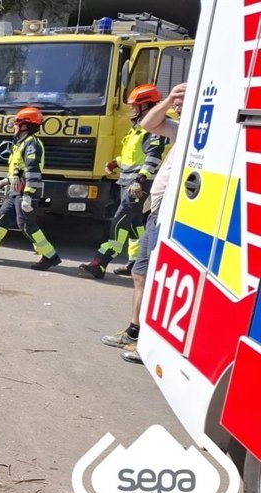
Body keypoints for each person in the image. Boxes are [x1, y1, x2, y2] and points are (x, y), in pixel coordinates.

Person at [103, 83, 185, 364]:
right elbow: (150, 126)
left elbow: (149, 158)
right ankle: (135, 331)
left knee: (153, 275)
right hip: (154, 208)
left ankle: (147, 340)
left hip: (164, 211)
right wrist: (172, 98)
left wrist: (139, 180)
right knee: (140, 274)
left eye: (183, 104)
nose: (177, 108)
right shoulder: (175, 129)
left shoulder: (194, 135)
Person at [79, 84, 169, 279]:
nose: (132, 109)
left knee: (120, 221)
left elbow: (153, 156)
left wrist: (140, 179)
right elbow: (132, 155)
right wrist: (115, 163)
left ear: (146, 105)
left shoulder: (156, 126)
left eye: (136, 105)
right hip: (127, 182)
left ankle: (100, 262)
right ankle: (135, 262)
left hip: (138, 184)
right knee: (136, 223)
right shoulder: (139, 126)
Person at [0, 106, 62, 270]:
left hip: (25, 192)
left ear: (26, 125)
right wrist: (6, 181)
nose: (15, 127)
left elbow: (33, 172)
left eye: (18, 123)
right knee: (2, 219)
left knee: (26, 225)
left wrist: (27, 196)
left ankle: (50, 256)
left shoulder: (31, 144)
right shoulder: (21, 143)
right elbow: (19, 170)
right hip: (14, 191)